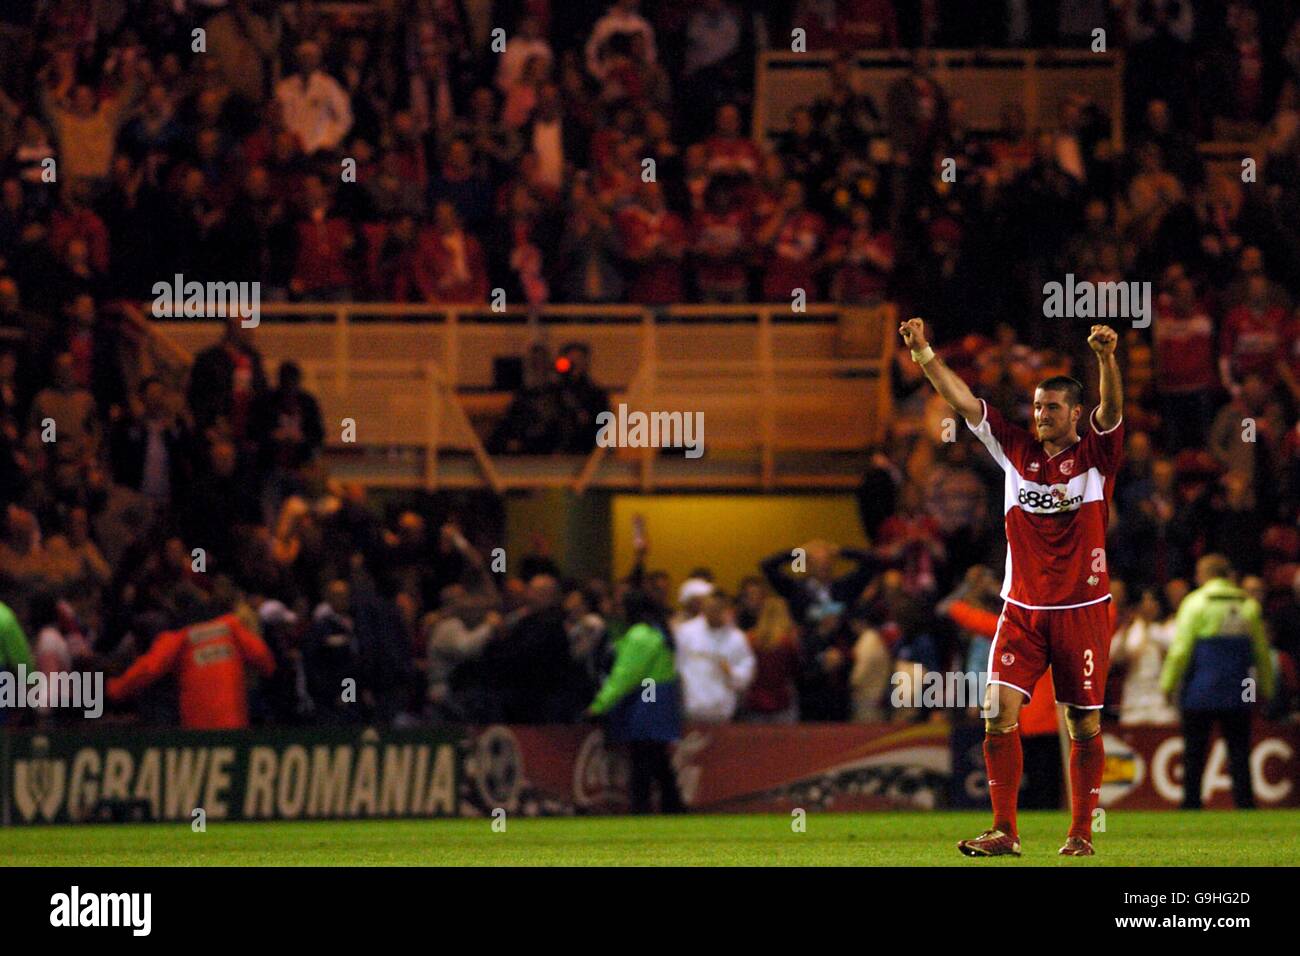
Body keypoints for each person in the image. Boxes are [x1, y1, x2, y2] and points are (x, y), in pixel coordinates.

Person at [900, 316, 1124, 857]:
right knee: (996, 710)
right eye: (1037, 407)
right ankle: (1004, 830)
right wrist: (927, 355)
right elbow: (965, 403)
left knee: (1084, 722)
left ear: (1075, 414)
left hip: (1083, 608)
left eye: (1051, 408)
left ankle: (1080, 834)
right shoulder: (1014, 451)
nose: (1040, 415)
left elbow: (1112, 411)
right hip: (1021, 608)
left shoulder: (1095, 458)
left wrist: (1106, 360)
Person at [1160, 554, 1275, 809]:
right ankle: (1245, 804)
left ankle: (1191, 804)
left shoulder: (1195, 603)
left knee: (1194, 753)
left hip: (1200, 689)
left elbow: (1180, 651)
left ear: (1204, 574)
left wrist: (1168, 684)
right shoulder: (1248, 605)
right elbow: (1261, 655)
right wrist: (1265, 689)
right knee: (1240, 752)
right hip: (1239, 691)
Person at [586, 588, 684, 814]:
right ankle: (673, 806)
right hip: (661, 699)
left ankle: (642, 808)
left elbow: (625, 675)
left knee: (642, 758)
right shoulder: (657, 631)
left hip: (647, 700)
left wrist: (600, 705)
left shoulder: (639, 635)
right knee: (658, 759)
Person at [107, 606, 276, 730]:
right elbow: (264, 658)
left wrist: (113, 690)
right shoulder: (231, 629)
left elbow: (147, 669)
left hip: (198, 734)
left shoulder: (179, 639)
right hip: (235, 726)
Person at [674, 591, 756, 723]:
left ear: (726, 610)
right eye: (710, 608)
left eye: (717, 609)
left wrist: (731, 672)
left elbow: (747, 669)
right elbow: (676, 665)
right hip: (691, 707)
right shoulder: (686, 632)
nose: (713, 613)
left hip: (722, 710)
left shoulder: (736, 638)